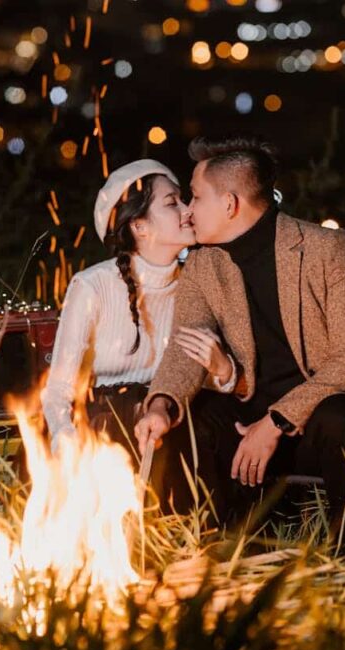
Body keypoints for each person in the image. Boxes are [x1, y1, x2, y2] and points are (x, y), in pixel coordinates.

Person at [133, 134, 345, 548]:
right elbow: (185, 347)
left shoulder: (326, 249)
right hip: (244, 422)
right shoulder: (203, 262)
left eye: (195, 197)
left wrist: (276, 422)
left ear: (230, 204)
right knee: (188, 420)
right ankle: (215, 547)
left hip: (317, 426)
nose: (188, 212)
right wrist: (161, 404)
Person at [41, 159, 230, 513]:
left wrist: (222, 371)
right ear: (140, 226)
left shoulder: (198, 283)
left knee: (202, 420)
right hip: (107, 420)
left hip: (174, 412)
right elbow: (58, 391)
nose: (189, 210)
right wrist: (65, 447)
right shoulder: (93, 286)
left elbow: (202, 377)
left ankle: (203, 542)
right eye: (173, 202)